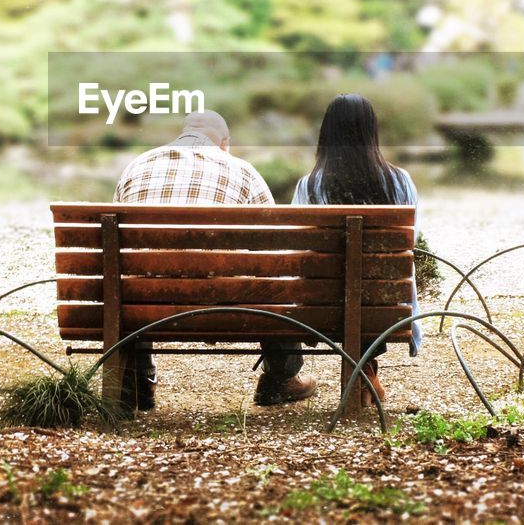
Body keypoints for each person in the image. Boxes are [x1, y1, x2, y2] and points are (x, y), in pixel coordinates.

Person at [114, 110, 318, 409]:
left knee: (138, 273)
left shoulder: (137, 166)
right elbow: (276, 254)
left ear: (183, 133)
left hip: (145, 304)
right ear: (225, 143)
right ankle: (280, 377)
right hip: (223, 303)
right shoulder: (244, 172)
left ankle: (137, 380)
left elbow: (120, 249)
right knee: (274, 275)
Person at [291, 93, 423, 406]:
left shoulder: (309, 186)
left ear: (326, 135)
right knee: (369, 287)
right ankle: (367, 370)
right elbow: (411, 243)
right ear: (371, 133)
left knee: (342, 284)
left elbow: (299, 250)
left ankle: (365, 373)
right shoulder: (400, 182)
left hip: (323, 308)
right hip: (389, 308)